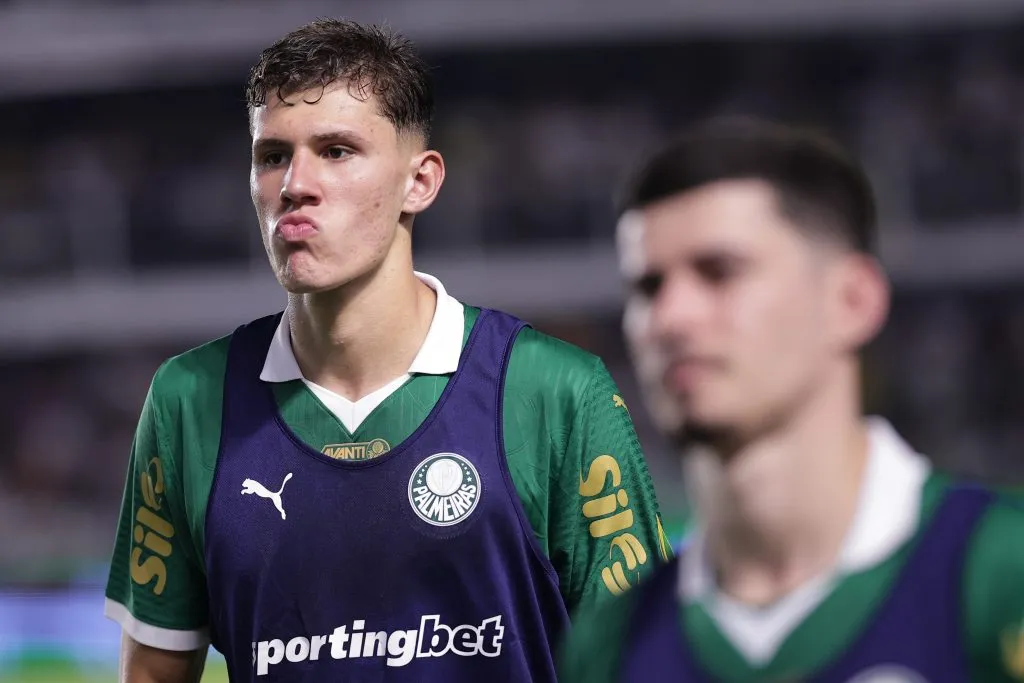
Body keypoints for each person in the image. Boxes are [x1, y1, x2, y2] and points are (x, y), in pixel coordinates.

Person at [104, 18, 670, 683]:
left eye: (337, 150)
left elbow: (650, 662)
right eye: (273, 155)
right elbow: (153, 671)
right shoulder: (188, 400)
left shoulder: (557, 392)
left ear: (419, 182)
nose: (295, 184)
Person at [559, 118, 1024, 682]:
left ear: (852, 301)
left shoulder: (1004, 574)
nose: (671, 318)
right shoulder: (608, 646)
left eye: (719, 272)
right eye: (648, 287)